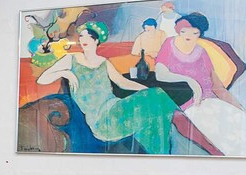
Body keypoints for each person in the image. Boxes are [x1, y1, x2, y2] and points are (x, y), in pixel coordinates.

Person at [36, 21, 221, 155]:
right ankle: (170, 146)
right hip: (101, 120)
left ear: (97, 41)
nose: (84, 39)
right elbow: (42, 79)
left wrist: (145, 91)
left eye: (89, 37)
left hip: (116, 107)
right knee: (159, 101)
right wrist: (66, 73)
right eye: (82, 36)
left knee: (156, 103)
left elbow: (123, 83)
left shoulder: (104, 62)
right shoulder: (71, 59)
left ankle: (158, 155)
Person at [154, 12, 246, 155]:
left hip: (210, 101)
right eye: (184, 31)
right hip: (189, 104)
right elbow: (160, 73)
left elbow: (218, 87)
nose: (188, 36)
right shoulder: (169, 44)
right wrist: (190, 81)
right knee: (222, 135)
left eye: (194, 33)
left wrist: (239, 108)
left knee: (238, 121)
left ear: (200, 34)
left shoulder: (202, 52)